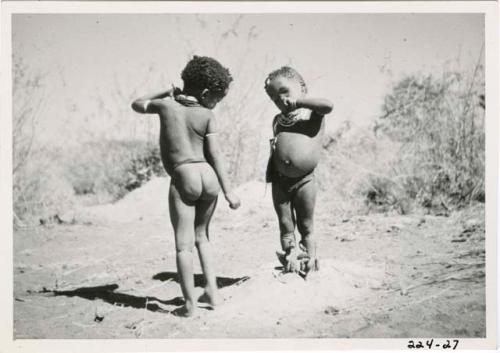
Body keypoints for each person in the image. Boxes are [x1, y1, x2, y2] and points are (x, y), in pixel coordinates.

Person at [131, 55, 241, 317]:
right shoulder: (207, 115)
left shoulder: (166, 107)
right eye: (217, 97)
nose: (217, 103)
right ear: (205, 93)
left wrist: (166, 91)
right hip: (209, 177)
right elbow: (216, 155)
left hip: (184, 176)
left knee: (183, 245)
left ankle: (190, 305)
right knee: (203, 238)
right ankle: (213, 294)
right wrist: (228, 191)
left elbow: (136, 104)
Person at [264, 66, 333, 278]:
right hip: (279, 182)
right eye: (273, 97)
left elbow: (328, 105)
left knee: (306, 224)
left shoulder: (312, 114)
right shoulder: (278, 120)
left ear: (302, 88)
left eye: (284, 91)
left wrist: (299, 102)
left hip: (305, 181)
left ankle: (310, 260)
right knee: (286, 225)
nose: (279, 99)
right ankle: (290, 257)